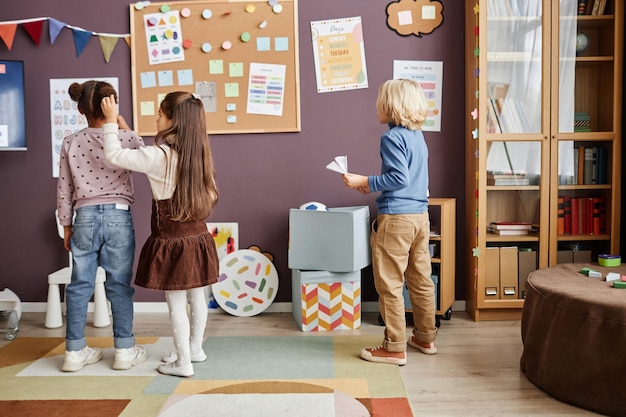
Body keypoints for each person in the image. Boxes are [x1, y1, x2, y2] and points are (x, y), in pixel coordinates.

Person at [101, 91, 220, 378]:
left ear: (171, 121)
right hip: (199, 237)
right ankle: (194, 349)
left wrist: (108, 123)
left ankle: (183, 362)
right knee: (198, 297)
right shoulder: (199, 154)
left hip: (172, 241)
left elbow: (114, 155)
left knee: (175, 302)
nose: (156, 118)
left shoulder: (158, 156)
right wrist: (125, 128)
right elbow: (212, 191)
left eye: (159, 114)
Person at [342, 79, 437, 366]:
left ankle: (394, 346)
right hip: (420, 217)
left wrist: (366, 181)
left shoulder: (391, 137)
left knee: (390, 284)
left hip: (396, 219)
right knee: (420, 280)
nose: (376, 105)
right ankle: (424, 336)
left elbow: (399, 179)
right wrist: (373, 185)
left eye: (381, 100)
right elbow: (408, 180)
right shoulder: (417, 136)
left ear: (393, 106)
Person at [57, 80, 147, 372]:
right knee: (119, 286)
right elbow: (142, 150)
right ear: (112, 105)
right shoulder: (126, 139)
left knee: (78, 286)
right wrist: (118, 120)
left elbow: (64, 188)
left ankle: (74, 352)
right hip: (119, 217)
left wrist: (66, 226)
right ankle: (123, 350)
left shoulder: (70, 141)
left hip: (83, 218)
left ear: (81, 109)